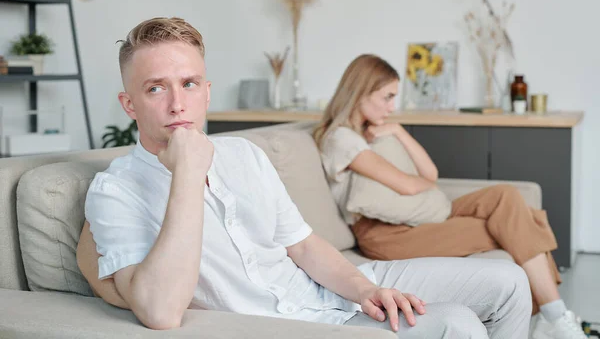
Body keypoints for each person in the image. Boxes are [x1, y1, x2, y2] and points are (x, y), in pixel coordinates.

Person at [76, 17, 532, 338]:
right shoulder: (116, 191)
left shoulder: (243, 154)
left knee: (509, 280)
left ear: (207, 93)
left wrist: (367, 289)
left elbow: (304, 245)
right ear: (130, 104)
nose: (177, 103)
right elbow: (159, 311)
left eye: (189, 84)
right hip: (290, 323)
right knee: (459, 324)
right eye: (156, 87)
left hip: (336, 286)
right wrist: (188, 174)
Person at [313, 54, 587, 339]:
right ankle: (554, 316)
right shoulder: (340, 139)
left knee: (507, 197)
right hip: (387, 234)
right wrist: (422, 185)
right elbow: (407, 185)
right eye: (387, 97)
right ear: (360, 92)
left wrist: (398, 131)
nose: (392, 107)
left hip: (414, 214)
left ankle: (551, 317)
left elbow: (430, 174)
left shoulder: (371, 132)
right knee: (516, 226)